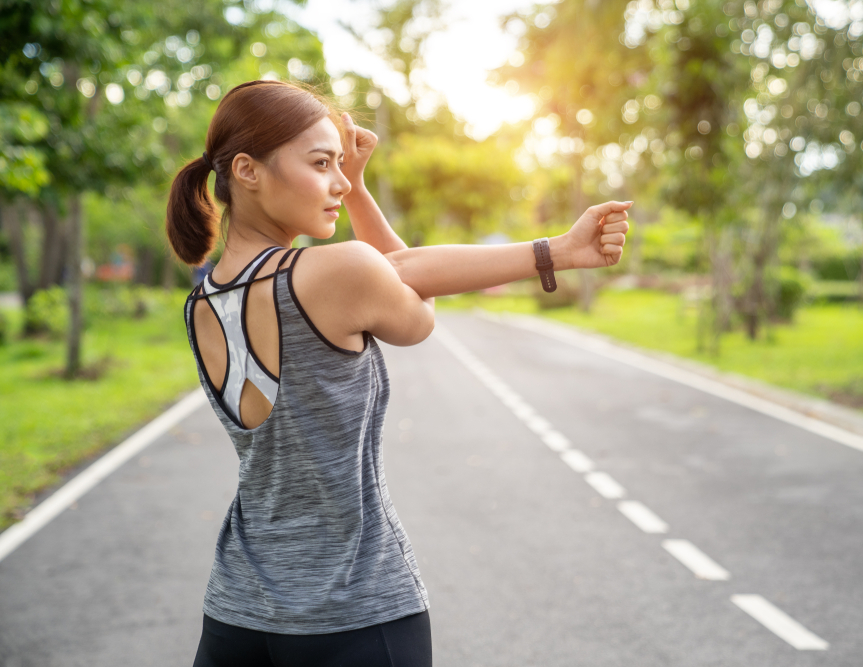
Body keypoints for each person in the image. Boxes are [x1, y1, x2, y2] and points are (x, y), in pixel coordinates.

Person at [165, 79, 631, 667]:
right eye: (320, 163)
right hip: (353, 613)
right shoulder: (334, 273)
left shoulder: (201, 298)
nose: (337, 181)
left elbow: (389, 271)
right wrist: (558, 250)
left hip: (236, 615)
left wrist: (355, 191)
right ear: (248, 170)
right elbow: (413, 302)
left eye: (341, 165)